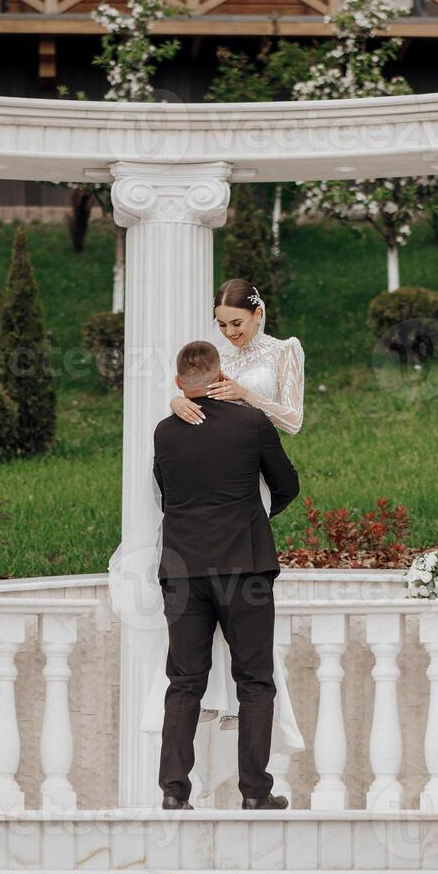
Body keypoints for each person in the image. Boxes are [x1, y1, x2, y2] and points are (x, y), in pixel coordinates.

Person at [151, 340, 300, 811]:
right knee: (254, 680)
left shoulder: (164, 431)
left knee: (185, 681)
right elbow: (287, 484)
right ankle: (255, 792)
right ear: (219, 376)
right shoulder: (252, 423)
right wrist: (254, 520)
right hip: (246, 566)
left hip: (182, 571)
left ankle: (174, 791)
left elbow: (164, 489)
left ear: (180, 383)